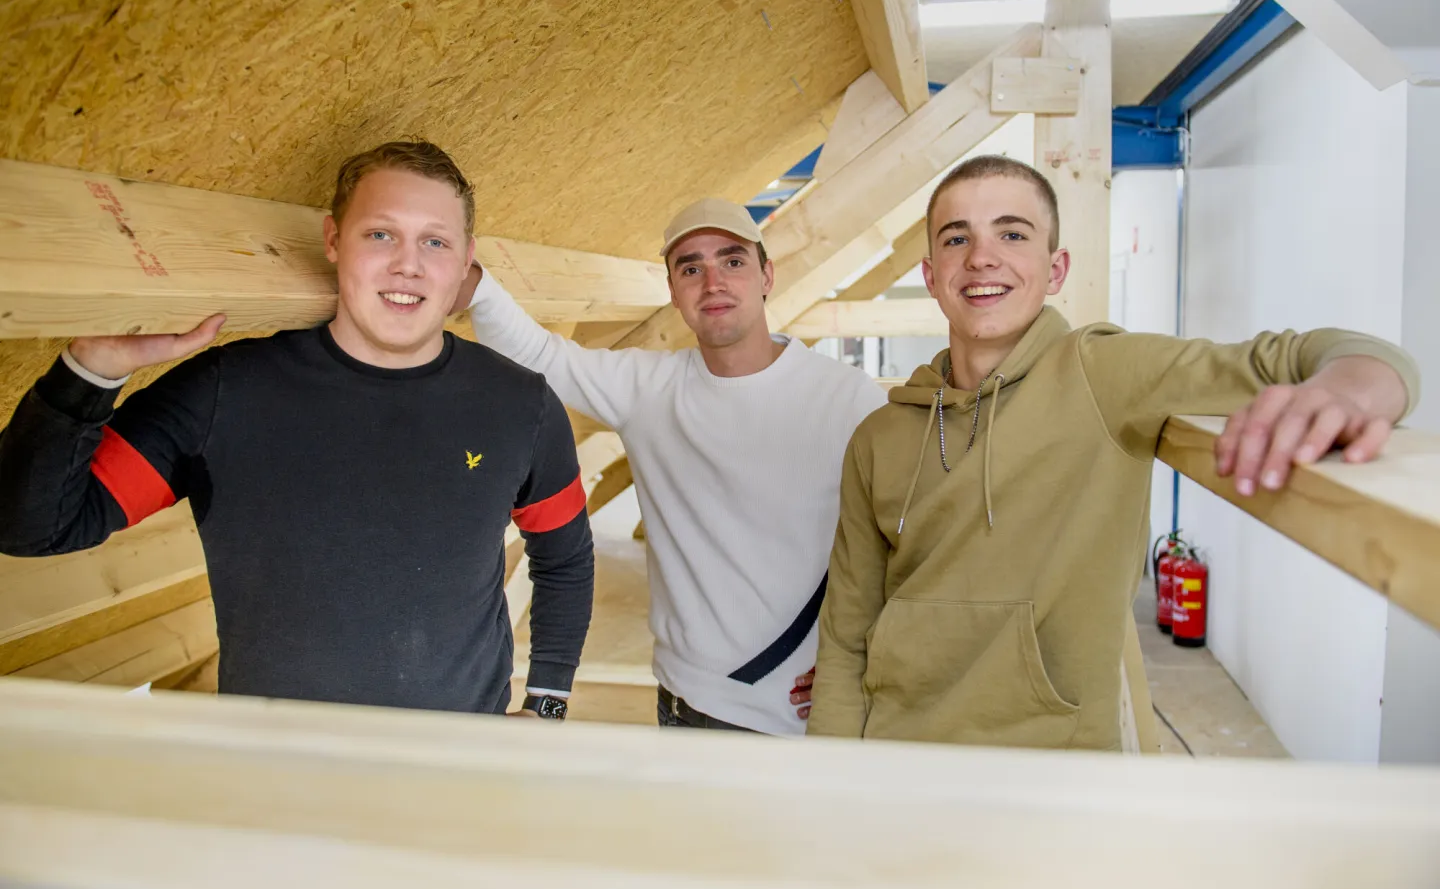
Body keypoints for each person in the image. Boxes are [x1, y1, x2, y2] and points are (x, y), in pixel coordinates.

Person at [806, 155, 1419, 750]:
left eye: (1012, 233)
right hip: (893, 748)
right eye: (956, 238)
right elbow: (848, 629)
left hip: (1052, 754)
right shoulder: (879, 435)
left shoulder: (1106, 375)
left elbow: (1319, 354)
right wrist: (831, 769)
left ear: (1057, 269)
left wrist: (1352, 388)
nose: (982, 256)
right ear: (932, 274)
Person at [0, 141, 594, 720]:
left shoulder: (521, 405)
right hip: (277, 771)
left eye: (434, 241)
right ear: (334, 240)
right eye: (380, 233)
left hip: (460, 768)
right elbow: (35, 528)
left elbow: (564, 559)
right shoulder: (225, 394)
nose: (407, 265)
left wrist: (546, 705)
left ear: (466, 260)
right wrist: (91, 369)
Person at [459, 197, 886, 734]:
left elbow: (901, 542)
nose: (713, 282)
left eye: (732, 261)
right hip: (683, 705)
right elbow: (541, 356)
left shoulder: (848, 399)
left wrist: (863, 659)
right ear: (674, 292)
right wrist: (473, 283)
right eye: (691, 268)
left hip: (804, 718)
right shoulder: (649, 389)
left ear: (766, 276)